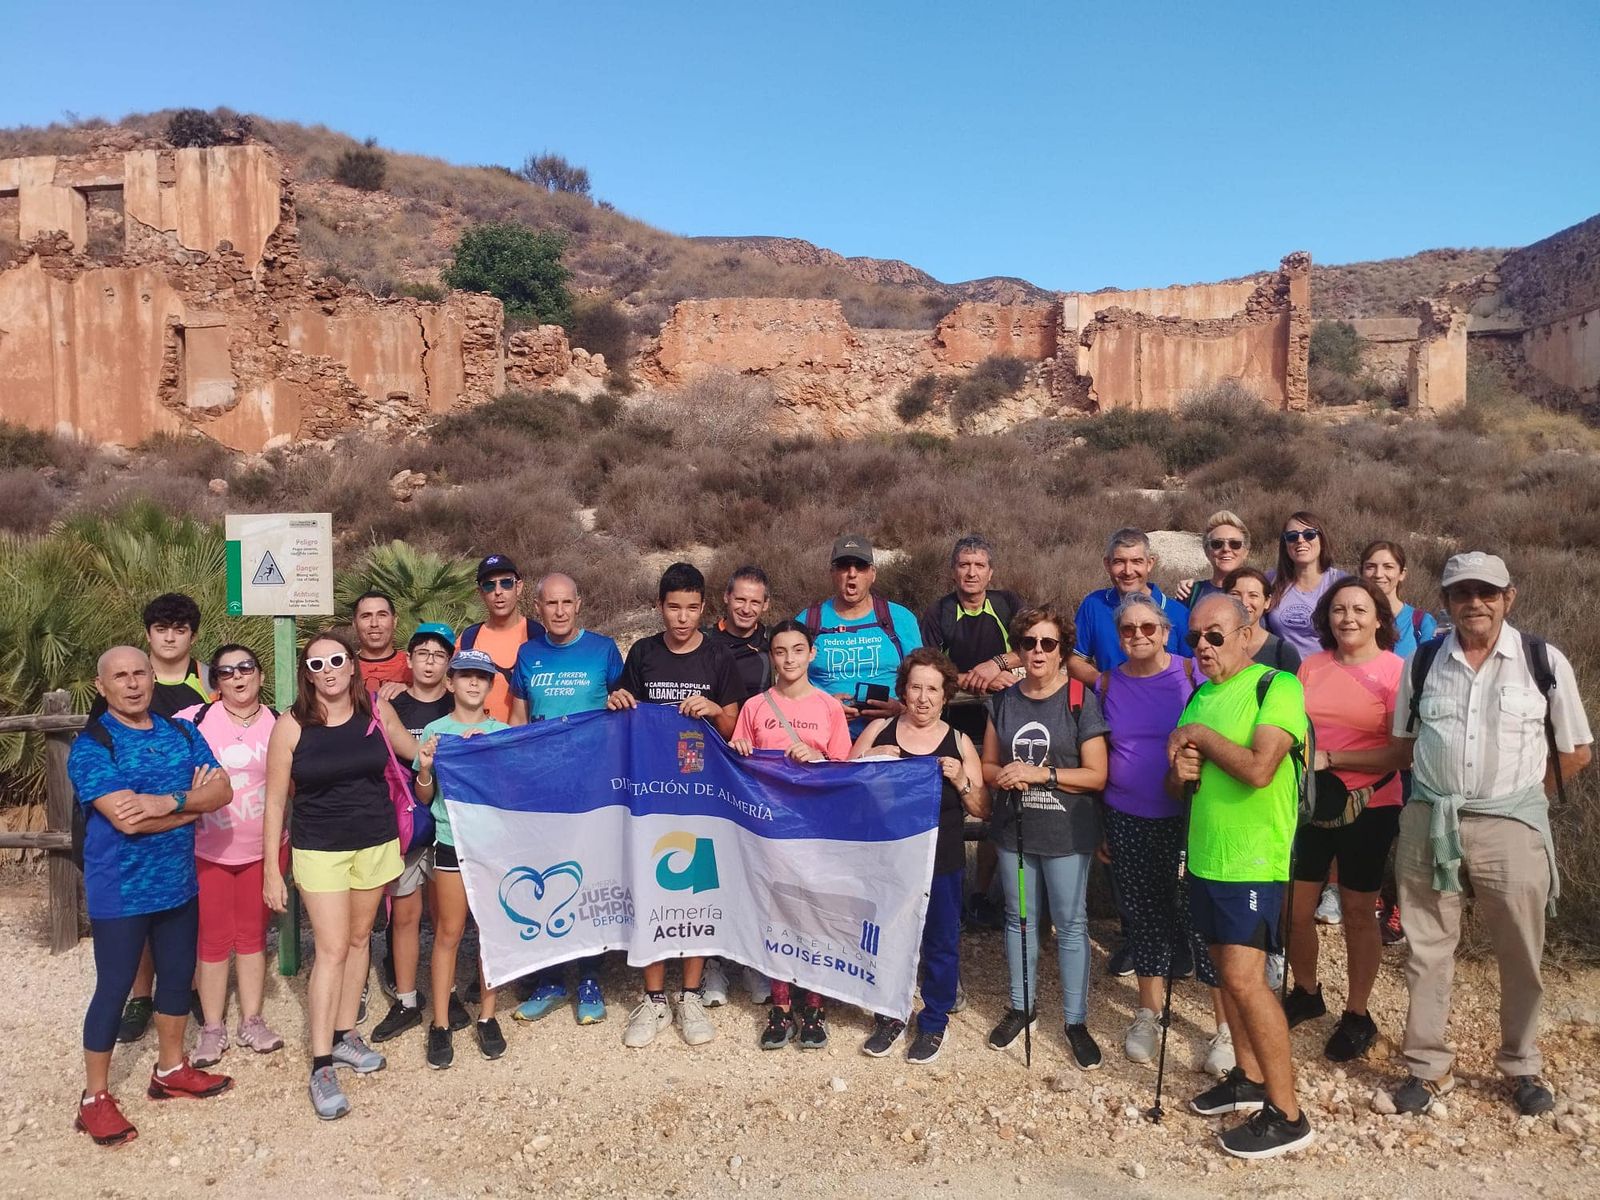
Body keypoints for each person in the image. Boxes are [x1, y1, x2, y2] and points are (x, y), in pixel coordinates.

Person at [1388, 552, 1593, 1118]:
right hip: (1432, 820)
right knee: (1427, 949)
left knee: (1520, 951)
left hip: (1513, 825)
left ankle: (1522, 1064)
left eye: (1487, 592)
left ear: (1509, 597)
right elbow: (1406, 743)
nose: (1474, 602)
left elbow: (1575, 752)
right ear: (1447, 602)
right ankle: (1427, 1067)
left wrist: (1520, 799)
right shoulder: (1425, 660)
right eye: (1461, 593)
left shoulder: (1542, 661)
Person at [68, 646, 235, 1147]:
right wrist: (192, 809)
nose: (133, 683)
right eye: (120, 676)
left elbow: (222, 790)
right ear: (103, 686)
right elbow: (124, 818)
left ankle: (170, 1068)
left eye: (139, 672)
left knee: (177, 977)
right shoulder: (94, 744)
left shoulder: (181, 732)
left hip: (177, 881)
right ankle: (94, 1098)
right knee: (115, 986)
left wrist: (169, 802)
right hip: (120, 887)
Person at [1170, 594, 1314, 1159]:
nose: (1203, 647)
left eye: (1214, 636)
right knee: (1230, 980)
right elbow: (1177, 784)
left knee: (1247, 981)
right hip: (1206, 857)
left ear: (1246, 631)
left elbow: (1259, 769)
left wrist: (1200, 741)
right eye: (1194, 639)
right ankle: (1250, 1080)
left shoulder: (1276, 687)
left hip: (1253, 859)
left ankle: (1289, 1114)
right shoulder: (1200, 697)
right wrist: (1176, 769)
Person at [262, 630, 424, 1120]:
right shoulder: (291, 725)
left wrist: (473, 740)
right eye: (316, 664)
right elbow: (274, 802)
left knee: (359, 942)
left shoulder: (377, 711)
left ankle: (344, 1036)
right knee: (330, 949)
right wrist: (272, 869)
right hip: (319, 849)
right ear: (306, 674)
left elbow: (417, 754)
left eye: (336, 659)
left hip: (375, 842)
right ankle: (320, 1063)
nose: (328, 669)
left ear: (353, 665)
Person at [608, 562, 747, 1048]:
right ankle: (653, 999)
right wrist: (620, 700)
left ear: (704, 608)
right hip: (650, 792)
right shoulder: (643, 652)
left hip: (702, 793)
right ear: (659, 607)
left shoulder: (718, 656)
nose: (682, 617)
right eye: (673, 607)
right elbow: (622, 712)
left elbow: (734, 728)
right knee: (651, 890)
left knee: (694, 891)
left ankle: (689, 993)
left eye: (691, 608)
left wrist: (714, 710)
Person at [1095, 596, 1233, 1076]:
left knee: (1204, 920)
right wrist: (1100, 822)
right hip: (1127, 814)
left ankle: (1224, 1027)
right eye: (1129, 629)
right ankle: (1148, 1013)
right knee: (1145, 915)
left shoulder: (1193, 674)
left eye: (1148, 628)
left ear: (1166, 630)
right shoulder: (1108, 682)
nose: (1139, 636)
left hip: (1191, 815)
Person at [981, 605, 1110, 1071]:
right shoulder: (1003, 701)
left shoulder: (1079, 699)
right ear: (1018, 649)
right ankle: (1022, 1007)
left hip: (1066, 829)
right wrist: (1006, 777)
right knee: (1019, 920)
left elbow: (1097, 775)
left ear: (1062, 651)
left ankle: (1076, 1022)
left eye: (1048, 643)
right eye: (1029, 643)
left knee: (1071, 925)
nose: (1037, 651)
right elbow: (990, 766)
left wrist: (1042, 775)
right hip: (1015, 827)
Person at [1283, 579, 1407, 1062]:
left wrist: (1332, 758)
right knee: (1295, 908)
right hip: (1311, 806)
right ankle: (1307, 992)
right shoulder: (1310, 666)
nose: (1348, 618)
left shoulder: (1397, 672)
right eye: (1338, 609)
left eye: (1359, 609)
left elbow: (1404, 752)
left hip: (1371, 806)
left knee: (1358, 912)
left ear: (1379, 617)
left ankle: (1357, 1014)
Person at [853, 648, 987, 1063]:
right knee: (887, 937)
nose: (923, 698)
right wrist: (869, 759)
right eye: (915, 688)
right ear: (903, 691)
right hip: (887, 861)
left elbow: (982, 808)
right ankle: (890, 1014)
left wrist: (963, 780)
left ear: (946, 694)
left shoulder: (959, 741)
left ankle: (933, 1021)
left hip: (941, 861)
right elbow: (841, 784)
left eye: (933, 689)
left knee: (941, 942)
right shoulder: (879, 730)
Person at [729, 619, 854, 1050]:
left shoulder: (828, 707)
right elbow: (736, 767)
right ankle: (780, 1005)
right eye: (780, 652)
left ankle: (814, 1004)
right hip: (768, 826)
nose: (789, 660)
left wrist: (817, 757)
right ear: (771, 656)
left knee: (814, 910)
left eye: (797, 650)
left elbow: (844, 772)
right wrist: (741, 749)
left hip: (815, 826)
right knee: (776, 911)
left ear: (812, 653)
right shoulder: (755, 707)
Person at [509, 572, 624, 1025]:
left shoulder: (604, 650)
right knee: (546, 876)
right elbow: (517, 719)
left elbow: (623, 702)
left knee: (588, 877)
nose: (559, 611)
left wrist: (620, 702)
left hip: (591, 785)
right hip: (541, 785)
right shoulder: (528, 653)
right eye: (550, 604)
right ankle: (551, 979)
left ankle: (591, 977)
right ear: (538, 608)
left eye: (566, 603)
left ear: (579, 604)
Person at [104, 592, 215, 1045]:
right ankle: (139, 995)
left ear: (192, 634)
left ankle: (183, 987)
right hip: (139, 816)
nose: (170, 637)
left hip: (199, 807)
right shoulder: (124, 678)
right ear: (148, 634)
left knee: (189, 906)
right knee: (142, 909)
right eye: (161, 629)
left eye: (180, 629)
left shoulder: (209, 678)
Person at [174, 644, 286, 1068]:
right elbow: (167, 764)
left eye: (245, 667)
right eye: (226, 671)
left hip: (266, 847)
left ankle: (252, 1020)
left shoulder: (279, 722)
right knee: (214, 939)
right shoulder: (193, 721)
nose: (238, 677)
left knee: (254, 937)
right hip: (210, 848)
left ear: (259, 674)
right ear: (215, 682)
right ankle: (212, 1027)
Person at [918, 534, 1023, 929]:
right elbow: (927, 663)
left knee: (998, 807)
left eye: (979, 565)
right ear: (953, 571)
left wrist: (996, 664)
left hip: (1004, 720)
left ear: (991, 572)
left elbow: (1033, 643)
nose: (972, 572)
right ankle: (947, 895)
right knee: (956, 804)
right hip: (954, 723)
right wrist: (973, 679)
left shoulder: (1007, 603)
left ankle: (982, 895)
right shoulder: (939, 611)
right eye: (964, 565)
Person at [414, 649, 510, 1068]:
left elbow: (511, 790)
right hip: (451, 840)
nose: (474, 683)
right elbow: (424, 795)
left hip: (491, 844)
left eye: (482, 677)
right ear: (450, 682)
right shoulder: (435, 730)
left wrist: (489, 752)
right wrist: (425, 767)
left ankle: (488, 1015)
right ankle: (439, 1023)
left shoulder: (501, 730)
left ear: (491, 686)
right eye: (466, 676)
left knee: (490, 933)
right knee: (449, 933)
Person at [370, 622, 461, 1046]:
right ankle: (406, 999)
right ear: (408, 660)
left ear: (449, 664)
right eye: (422, 653)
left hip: (446, 825)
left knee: (446, 919)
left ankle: (450, 991)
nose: (430, 661)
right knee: (405, 917)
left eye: (439, 655)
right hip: (403, 826)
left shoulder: (461, 701)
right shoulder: (391, 705)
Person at [799, 534, 923, 735]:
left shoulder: (900, 619)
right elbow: (788, 684)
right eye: (843, 566)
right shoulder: (807, 621)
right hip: (823, 736)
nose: (852, 573)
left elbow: (923, 679)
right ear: (832, 573)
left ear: (873, 573)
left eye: (861, 566)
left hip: (891, 735)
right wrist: (821, 708)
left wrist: (901, 709)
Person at [1067, 527, 1189, 686]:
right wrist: (1105, 684)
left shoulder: (1179, 613)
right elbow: (1075, 660)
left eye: (1137, 561)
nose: (1128, 571)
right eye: (1119, 562)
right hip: (1111, 707)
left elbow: (1192, 668)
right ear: (1107, 564)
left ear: (1150, 563)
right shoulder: (1094, 605)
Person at [458, 553, 546, 723]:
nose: (498, 592)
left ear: (518, 587)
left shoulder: (538, 635)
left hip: (528, 741)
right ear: (481, 593)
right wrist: (405, 685)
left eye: (506, 583)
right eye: (489, 586)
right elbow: (443, 685)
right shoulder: (468, 638)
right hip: (480, 741)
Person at [1264, 511, 1343, 662]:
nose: (1300, 540)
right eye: (1292, 536)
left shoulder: (1339, 582)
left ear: (1322, 539)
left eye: (1309, 534)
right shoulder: (1271, 581)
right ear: (1285, 543)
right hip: (1283, 676)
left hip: (1327, 674)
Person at [1360, 541, 1438, 660]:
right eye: (1370, 567)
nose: (1378, 574)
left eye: (1388, 567)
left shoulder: (1421, 623)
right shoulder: (1353, 621)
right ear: (1361, 572)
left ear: (1402, 573)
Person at [707, 565, 774, 699]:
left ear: (765, 604)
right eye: (740, 600)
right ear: (726, 596)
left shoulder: (773, 641)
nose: (746, 609)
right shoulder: (703, 640)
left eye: (755, 602)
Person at [1224, 568, 1302, 672]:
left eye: (1253, 595)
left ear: (1267, 602)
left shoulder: (1283, 652)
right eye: (1235, 594)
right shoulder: (1213, 645)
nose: (1244, 602)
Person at [1176, 512, 1252, 607]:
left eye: (1235, 544)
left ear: (1246, 551)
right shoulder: (1191, 593)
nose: (1226, 549)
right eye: (1217, 544)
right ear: (1207, 551)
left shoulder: (1259, 594)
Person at [352, 591, 412, 693]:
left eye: (382, 615)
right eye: (366, 616)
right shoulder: (343, 668)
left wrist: (413, 692)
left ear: (395, 621)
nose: (374, 623)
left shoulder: (414, 665)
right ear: (354, 624)